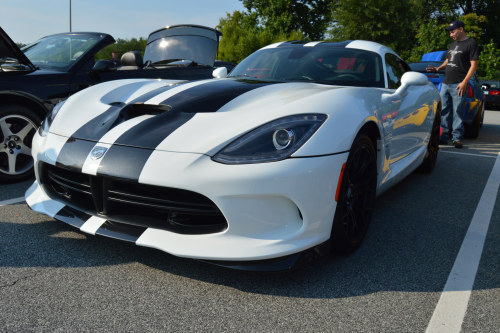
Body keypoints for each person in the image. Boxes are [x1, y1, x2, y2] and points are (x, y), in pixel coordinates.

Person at [426, 20, 480, 148]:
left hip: (459, 83)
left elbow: (474, 65)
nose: (451, 35)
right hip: (446, 82)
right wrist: (438, 68)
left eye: (453, 32)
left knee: (458, 111)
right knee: (444, 110)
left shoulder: (471, 44)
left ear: (461, 29)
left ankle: (457, 138)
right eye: (450, 33)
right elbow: (447, 60)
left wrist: (465, 82)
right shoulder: (452, 44)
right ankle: (443, 136)